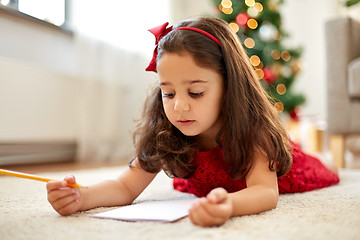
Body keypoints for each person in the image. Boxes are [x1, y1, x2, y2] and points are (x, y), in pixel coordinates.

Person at [46, 16, 339, 227]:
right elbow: (125, 187)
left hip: (283, 170)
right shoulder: (165, 128)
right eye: (168, 93)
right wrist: (81, 197)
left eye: (196, 92)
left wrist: (229, 205)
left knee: (325, 168)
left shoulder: (253, 129)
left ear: (229, 86)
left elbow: (265, 192)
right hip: (219, 187)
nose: (179, 106)